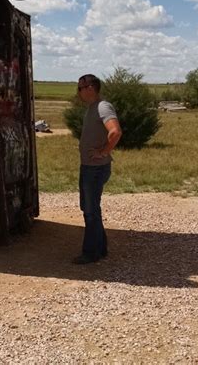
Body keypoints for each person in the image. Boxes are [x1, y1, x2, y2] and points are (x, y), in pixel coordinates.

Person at [74, 74, 122, 264]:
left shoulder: (103, 107)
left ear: (90, 88)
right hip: (89, 167)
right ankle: (100, 249)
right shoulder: (92, 108)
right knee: (90, 207)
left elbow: (115, 132)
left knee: (90, 210)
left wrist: (103, 152)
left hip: (95, 168)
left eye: (80, 88)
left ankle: (91, 253)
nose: (78, 92)